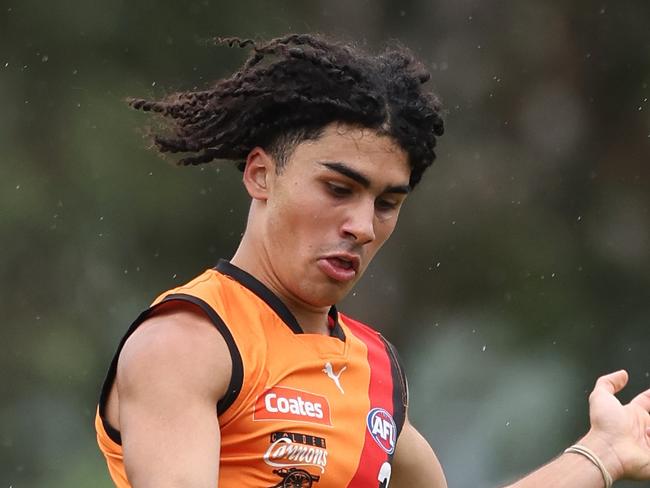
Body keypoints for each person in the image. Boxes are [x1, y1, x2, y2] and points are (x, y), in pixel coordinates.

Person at [95, 34, 650, 488]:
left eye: (387, 203)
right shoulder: (189, 341)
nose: (363, 226)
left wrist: (602, 451)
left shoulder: (373, 368)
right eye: (338, 188)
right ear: (260, 174)